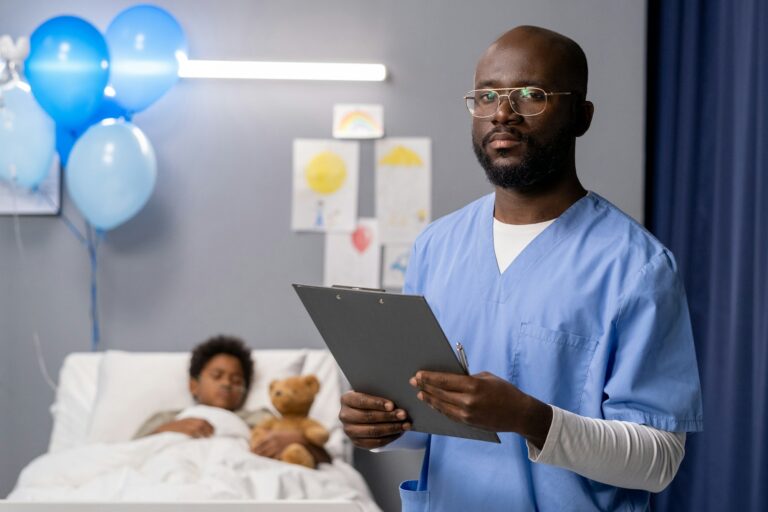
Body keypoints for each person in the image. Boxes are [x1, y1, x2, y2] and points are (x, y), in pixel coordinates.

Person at [338, 25, 703, 511]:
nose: (502, 114)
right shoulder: (436, 247)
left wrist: (532, 418)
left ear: (582, 116)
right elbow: (429, 429)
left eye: (531, 95)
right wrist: (380, 428)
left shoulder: (635, 266)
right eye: (486, 96)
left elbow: (658, 462)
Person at [134, 335, 330, 464]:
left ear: (244, 391)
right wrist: (167, 430)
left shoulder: (261, 418)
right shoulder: (167, 418)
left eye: (236, 380)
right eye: (217, 376)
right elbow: (130, 454)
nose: (227, 384)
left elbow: (327, 459)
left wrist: (296, 439)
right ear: (194, 385)